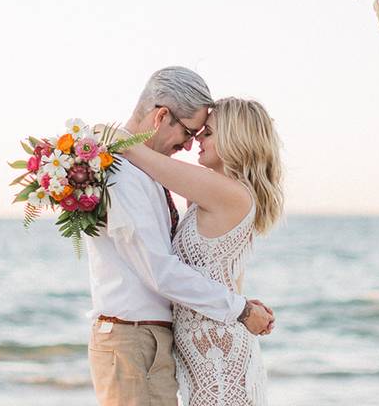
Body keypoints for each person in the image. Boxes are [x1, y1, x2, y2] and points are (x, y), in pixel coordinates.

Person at [85, 67, 275, 406]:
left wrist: (109, 137)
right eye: (192, 131)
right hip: (187, 348)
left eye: (206, 133)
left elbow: (134, 151)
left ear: (235, 140)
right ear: (162, 116)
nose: (193, 143)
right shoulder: (188, 190)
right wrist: (240, 306)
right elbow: (199, 266)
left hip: (213, 349)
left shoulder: (219, 190)